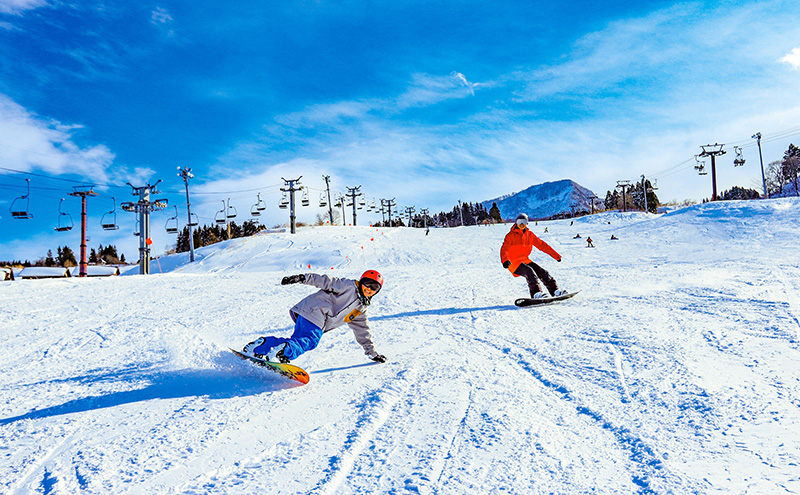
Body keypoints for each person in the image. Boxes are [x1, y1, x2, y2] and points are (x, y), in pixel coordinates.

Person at [242, 270, 387, 364]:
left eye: (374, 288)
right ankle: (281, 352)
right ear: (361, 282)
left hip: (309, 314)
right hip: (316, 310)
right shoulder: (348, 286)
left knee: (299, 341)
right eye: (367, 284)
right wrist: (301, 278)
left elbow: (363, 332)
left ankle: (260, 346)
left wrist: (372, 353)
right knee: (311, 340)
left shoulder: (360, 310)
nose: (369, 289)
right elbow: (325, 281)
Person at [501, 213, 567, 299]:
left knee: (542, 272)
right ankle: (536, 293)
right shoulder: (510, 236)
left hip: (525, 260)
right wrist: (505, 260)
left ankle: (555, 291)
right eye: (519, 222)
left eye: (524, 222)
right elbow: (504, 249)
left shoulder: (530, 235)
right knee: (529, 272)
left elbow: (542, 245)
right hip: (513, 262)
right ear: (516, 223)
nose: (522, 224)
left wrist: (556, 256)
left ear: (527, 223)